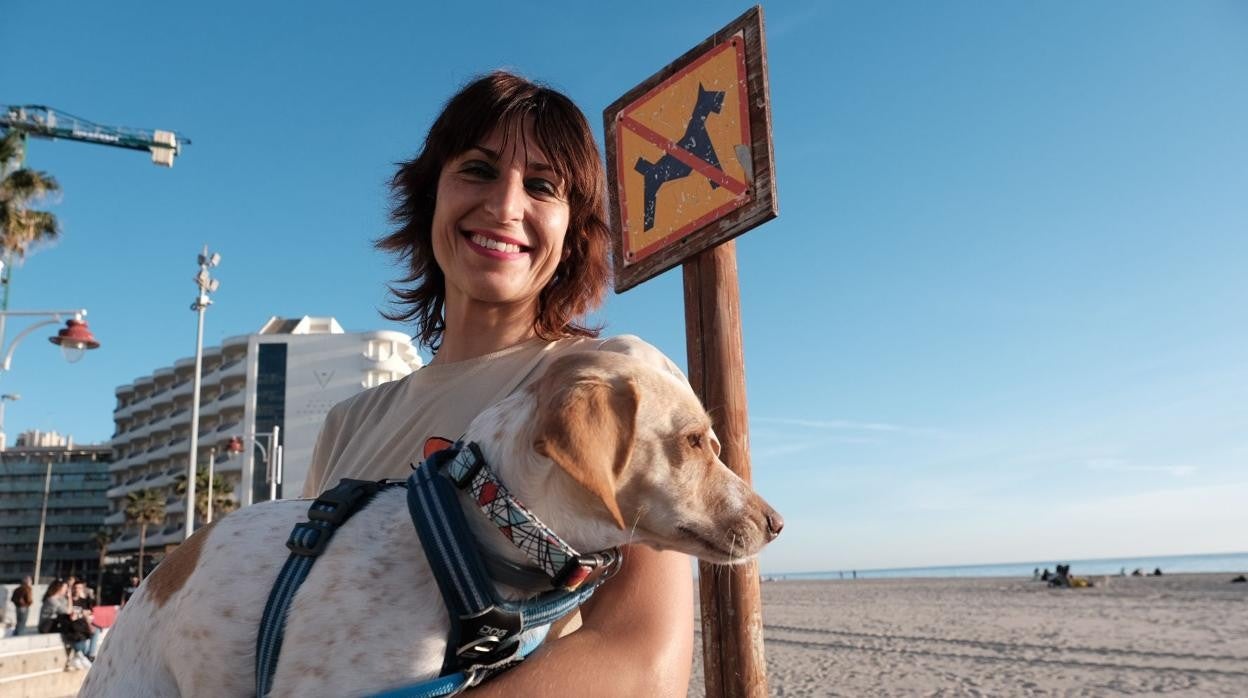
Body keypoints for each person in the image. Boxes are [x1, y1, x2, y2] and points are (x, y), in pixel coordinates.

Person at [301, 71, 694, 695]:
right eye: (479, 170)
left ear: (572, 234)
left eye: (542, 186)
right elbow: (309, 615)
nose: (506, 206)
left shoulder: (604, 391)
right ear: (431, 195)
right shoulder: (347, 423)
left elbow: (643, 661)